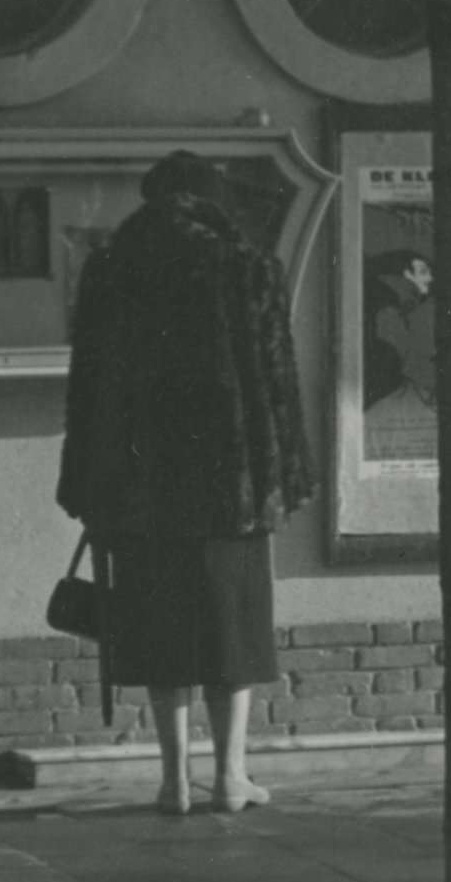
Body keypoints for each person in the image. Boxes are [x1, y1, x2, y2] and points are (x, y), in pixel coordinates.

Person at [59, 152, 316, 813]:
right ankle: (230, 776)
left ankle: (173, 780)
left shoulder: (112, 268)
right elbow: (277, 382)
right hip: (229, 485)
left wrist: (84, 483)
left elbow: (84, 388)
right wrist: (289, 475)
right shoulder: (248, 266)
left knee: (156, 625)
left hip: (136, 487)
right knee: (232, 629)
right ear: (214, 201)